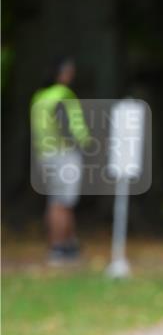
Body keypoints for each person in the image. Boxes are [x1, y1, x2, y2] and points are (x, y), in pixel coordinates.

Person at [30, 57, 91, 265]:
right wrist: (86, 144)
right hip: (63, 155)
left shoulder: (40, 96)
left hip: (45, 155)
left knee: (56, 201)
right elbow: (69, 126)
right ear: (61, 73)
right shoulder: (63, 95)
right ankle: (58, 247)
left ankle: (68, 244)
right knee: (62, 202)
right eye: (69, 71)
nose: (71, 75)